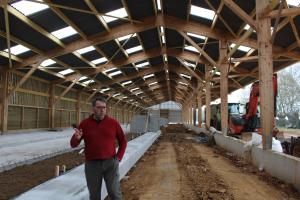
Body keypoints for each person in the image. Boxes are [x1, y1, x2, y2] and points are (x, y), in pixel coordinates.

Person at [70, 97, 127, 200]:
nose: (102, 110)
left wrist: (118, 157)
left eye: (104, 107)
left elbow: (123, 141)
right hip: (92, 165)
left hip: (110, 163)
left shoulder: (113, 123)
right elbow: (73, 144)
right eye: (99, 107)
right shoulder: (85, 124)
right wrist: (76, 138)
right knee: (94, 195)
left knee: (114, 193)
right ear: (93, 109)